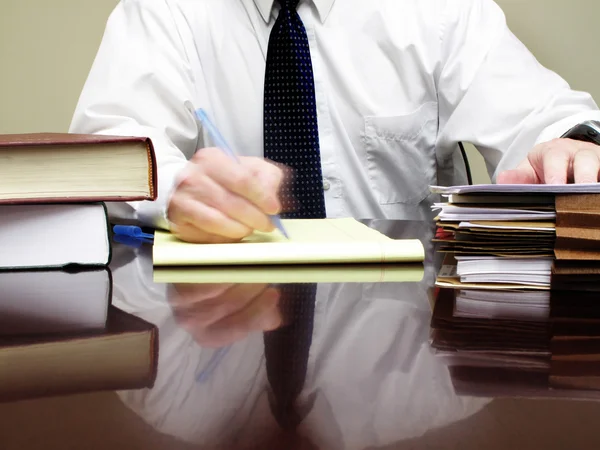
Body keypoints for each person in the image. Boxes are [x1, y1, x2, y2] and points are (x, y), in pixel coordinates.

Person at [70, 0, 600, 243]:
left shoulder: (442, 10)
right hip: (222, 321)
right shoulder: (163, 11)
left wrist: (570, 145)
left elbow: (544, 118)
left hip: (408, 339)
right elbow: (110, 147)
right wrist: (177, 190)